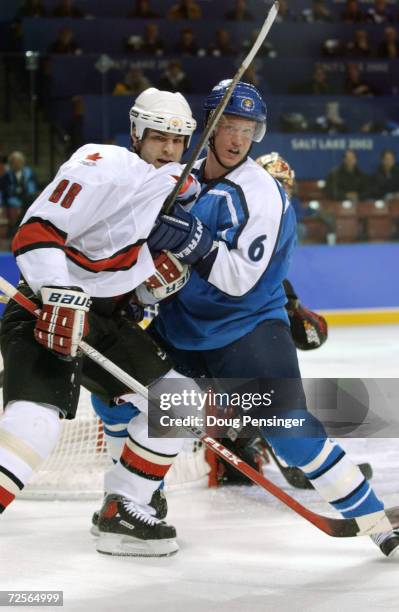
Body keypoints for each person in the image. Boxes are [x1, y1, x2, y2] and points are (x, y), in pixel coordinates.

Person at [148, 79, 399, 558]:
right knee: (128, 400)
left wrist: (191, 240)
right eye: (227, 125)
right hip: (181, 326)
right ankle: (130, 502)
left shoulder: (262, 194)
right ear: (209, 126)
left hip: (244, 332)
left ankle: (375, 521)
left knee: (288, 428)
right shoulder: (180, 179)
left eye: (246, 128)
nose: (237, 138)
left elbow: (238, 279)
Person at [0, 89, 215, 558]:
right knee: (35, 425)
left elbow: (123, 258)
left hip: (101, 319)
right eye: (160, 138)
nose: (170, 150)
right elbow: (35, 231)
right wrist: (58, 291)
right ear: (137, 133)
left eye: (179, 141)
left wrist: (146, 282)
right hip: (45, 308)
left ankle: (125, 509)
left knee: (180, 403)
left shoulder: (173, 185)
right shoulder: (102, 163)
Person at [2, 151, 38, 237]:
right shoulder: (7, 176)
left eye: (19, 161)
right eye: (14, 162)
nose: (17, 164)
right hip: (12, 200)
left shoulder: (29, 174)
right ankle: (14, 232)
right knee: (13, 207)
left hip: (26, 199)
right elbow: (5, 190)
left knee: (29, 204)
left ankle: (27, 232)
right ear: (11, 163)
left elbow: (32, 189)